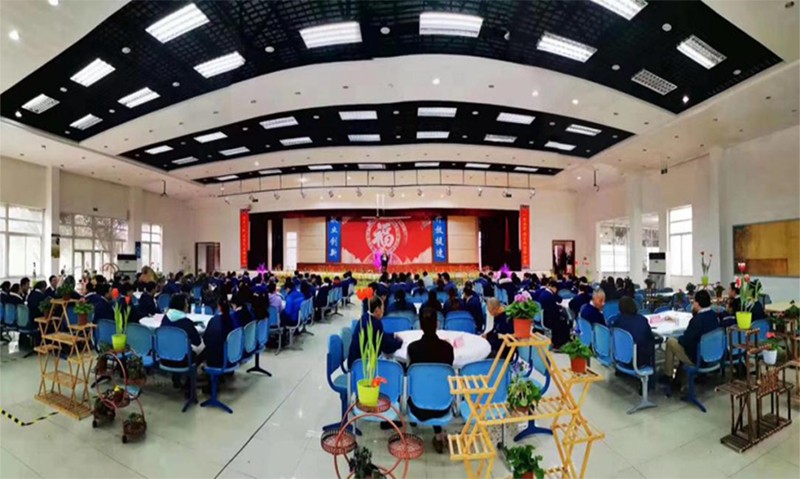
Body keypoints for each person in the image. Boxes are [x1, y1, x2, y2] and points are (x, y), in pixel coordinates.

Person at [407, 307, 454, 453]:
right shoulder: (447, 348)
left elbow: (410, 377)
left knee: (422, 385)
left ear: (420, 325)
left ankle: (414, 429)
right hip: (443, 406)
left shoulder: (413, 348)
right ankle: (438, 435)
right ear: (437, 324)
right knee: (436, 385)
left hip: (417, 406)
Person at [663, 290, 719, 392]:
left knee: (670, 341)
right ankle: (677, 377)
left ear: (697, 303)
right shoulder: (714, 315)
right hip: (713, 355)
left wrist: (679, 338)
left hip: (697, 358)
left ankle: (668, 375)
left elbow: (685, 341)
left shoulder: (697, 320)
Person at [347, 297, 402, 370]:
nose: (383, 311)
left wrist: (392, 335)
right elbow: (386, 348)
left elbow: (380, 335)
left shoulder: (365, 317)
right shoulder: (375, 323)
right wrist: (399, 343)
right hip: (363, 365)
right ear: (377, 309)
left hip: (354, 361)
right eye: (382, 308)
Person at [614, 297, 657, 369]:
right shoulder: (642, 320)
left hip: (621, 358)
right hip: (640, 360)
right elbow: (650, 337)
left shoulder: (618, 321)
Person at [203, 298, 236, 369]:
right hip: (231, 357)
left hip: (215, 359)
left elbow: (206, 340)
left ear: (219, 307)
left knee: (206, 350)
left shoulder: (213, 320)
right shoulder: (231, 320)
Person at [540, 280, 570, 349]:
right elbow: (554, 311)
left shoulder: (544, 293)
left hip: (545, 317)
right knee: (564, 323)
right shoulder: (549, 296)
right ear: (554, 288)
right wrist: (560, 311)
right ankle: (559, 344)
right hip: (549, 319)